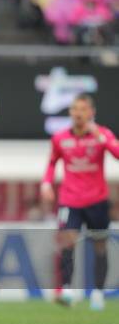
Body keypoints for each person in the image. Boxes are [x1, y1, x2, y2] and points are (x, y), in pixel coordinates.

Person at [41, 94, 119, 311]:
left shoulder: (102, 134)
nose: (78, 113)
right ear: (70, 112)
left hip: (97, 200)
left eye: (83, 109)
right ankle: (66, 289)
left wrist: (100, 137)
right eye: (75, 109)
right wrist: (46, 184)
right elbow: (51, 163)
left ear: (91, 112)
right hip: (70, 200)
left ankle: (98, 292)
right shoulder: (59, 138)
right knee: (68, 241)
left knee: (100, 247)